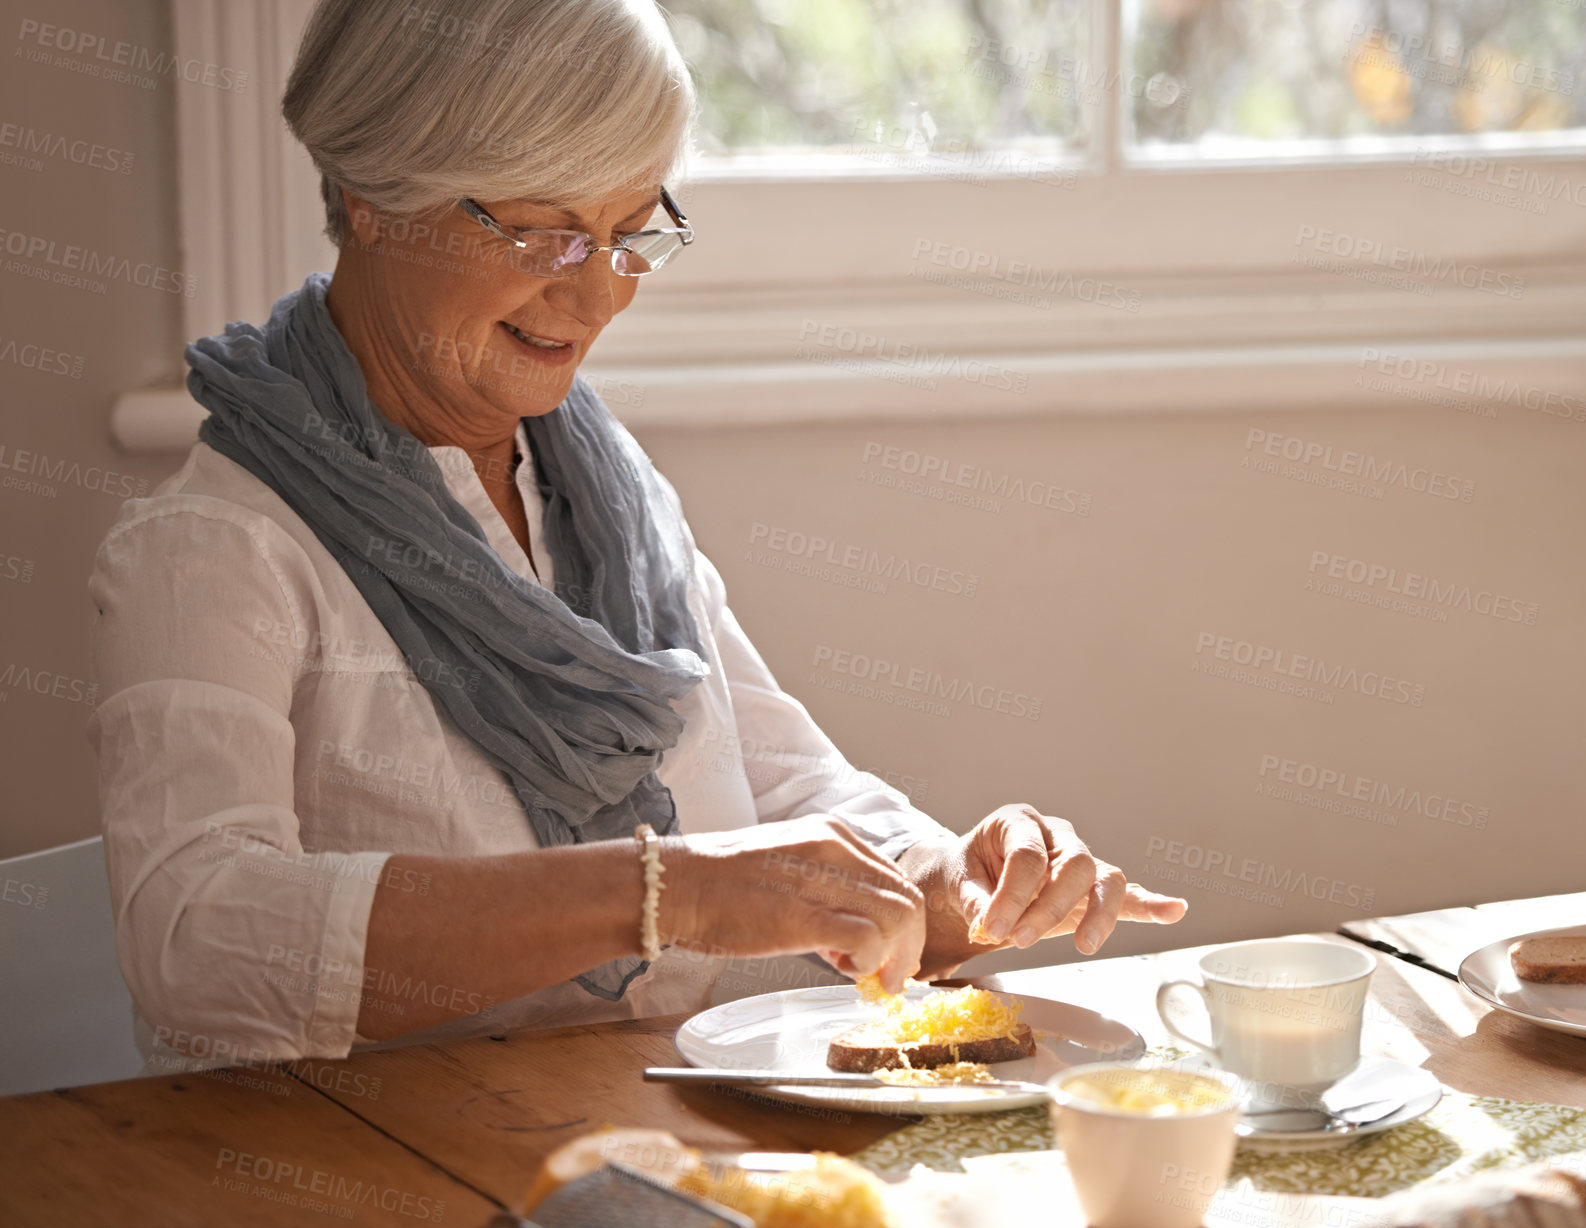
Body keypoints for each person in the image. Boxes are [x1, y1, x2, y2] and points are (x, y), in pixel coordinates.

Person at [87, 0, 1185, 1067]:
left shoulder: (601, 493)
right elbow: (194, 938)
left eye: (629, 233)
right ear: (373, 193)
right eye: (544, 232)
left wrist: (956, 882)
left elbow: (785, 789)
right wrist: (670, 893)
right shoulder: (213, 548)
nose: (600, 294)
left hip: (612, 1143)